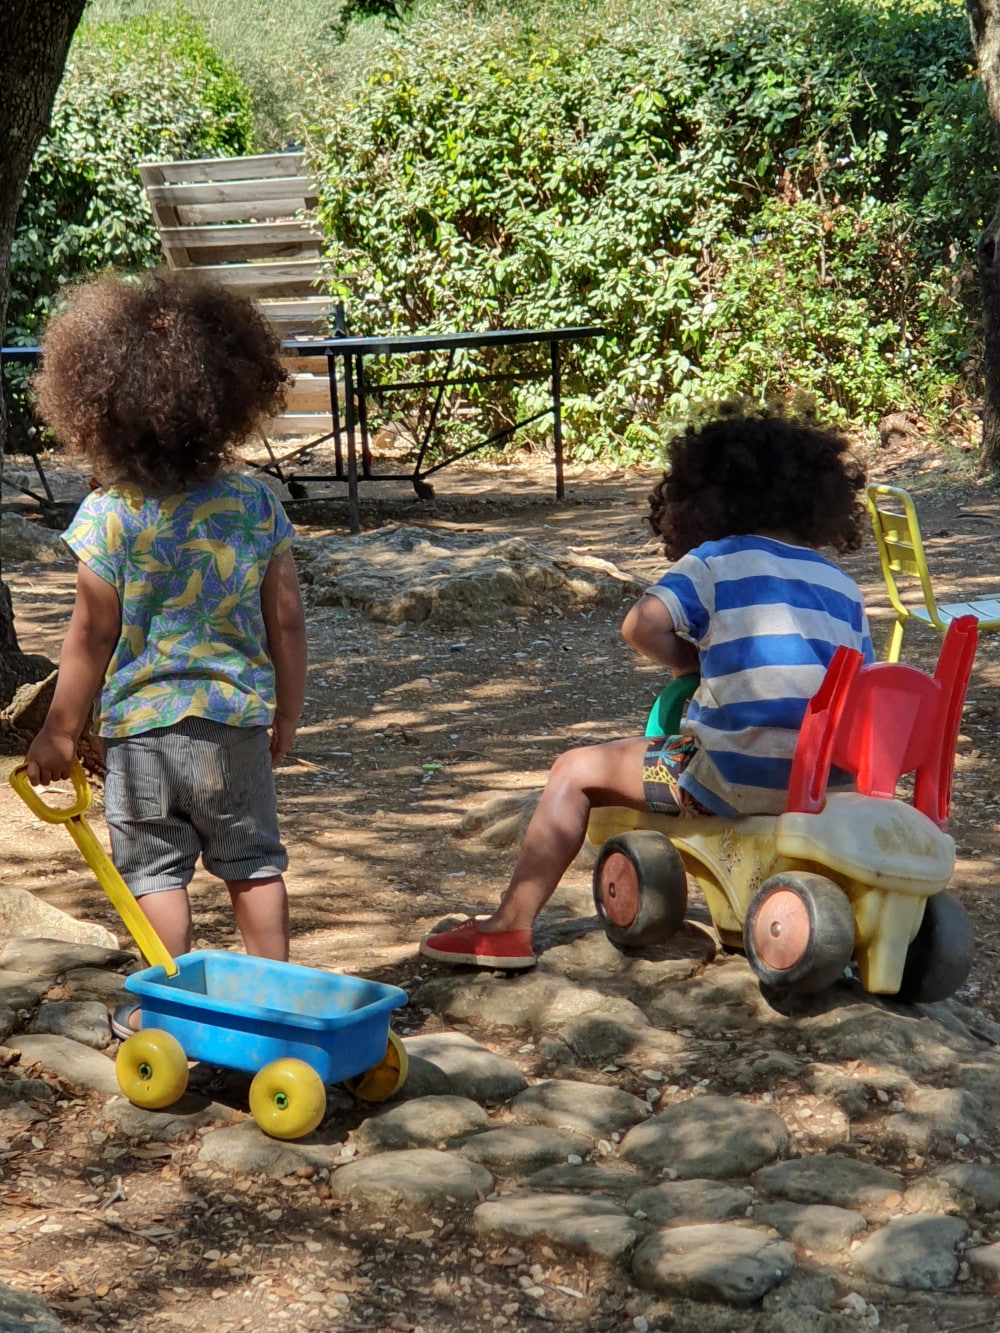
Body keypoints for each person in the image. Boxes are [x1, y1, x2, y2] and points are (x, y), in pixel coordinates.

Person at [419, 411, 874, 971]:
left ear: (705, 497)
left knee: (575, 770)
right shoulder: (843, 587)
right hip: (824, 785)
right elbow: (861, 687)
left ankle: (509, 926)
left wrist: (695, 664)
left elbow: (641, 624)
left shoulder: (714, 562)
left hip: (719, 777)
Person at [24, 271, 308, 1037]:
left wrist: (58, 728)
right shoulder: (255, 504)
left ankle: (166, 1010)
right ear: (229, 395)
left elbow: (91, 634)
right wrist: (287, 707)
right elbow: (285, 619)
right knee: (253, 862)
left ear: (101, 408)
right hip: (233, 722)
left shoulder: (108, 515)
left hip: (142, 736)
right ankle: (277, 1000)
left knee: (155, 872)